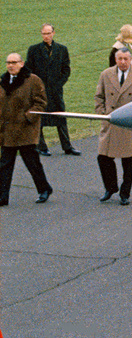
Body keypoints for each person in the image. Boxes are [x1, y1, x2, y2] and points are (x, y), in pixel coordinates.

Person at [95, 46, 132, 205]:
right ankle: (111, 187)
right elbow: (99, 97)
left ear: (130, 59)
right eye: (119, 59)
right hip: (111, 123)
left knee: (128, 161)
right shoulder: (106, 74)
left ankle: (125, 193)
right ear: (115, 59)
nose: (122, 62)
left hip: (129, 122)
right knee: (103, 157)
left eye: (125, 59)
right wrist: (103, 114)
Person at [0, 53, 53, 205]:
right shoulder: (3, 81)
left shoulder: (33, 80)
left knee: (32, 163)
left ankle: (44, 189)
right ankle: (2, 197)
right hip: (7, 132)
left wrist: (27, 117)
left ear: (22, 63)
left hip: (25, 131)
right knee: (4, 165)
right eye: (8, 62)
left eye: (14, 62)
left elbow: (41, 103)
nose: (11, 65)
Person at [27, 24, 80, 155]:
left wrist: (59, 84)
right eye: (44, 34)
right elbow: (29, 70)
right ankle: (41, 146)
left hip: (55, 90)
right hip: (39, 91)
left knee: (61, 117)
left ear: (53, 33)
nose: (46, 36)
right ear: (41, 34)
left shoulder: (62, 49)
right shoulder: (33, 50)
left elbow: (66, 69)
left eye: (49, 33)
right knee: (39, 117)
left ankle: (67, 146)